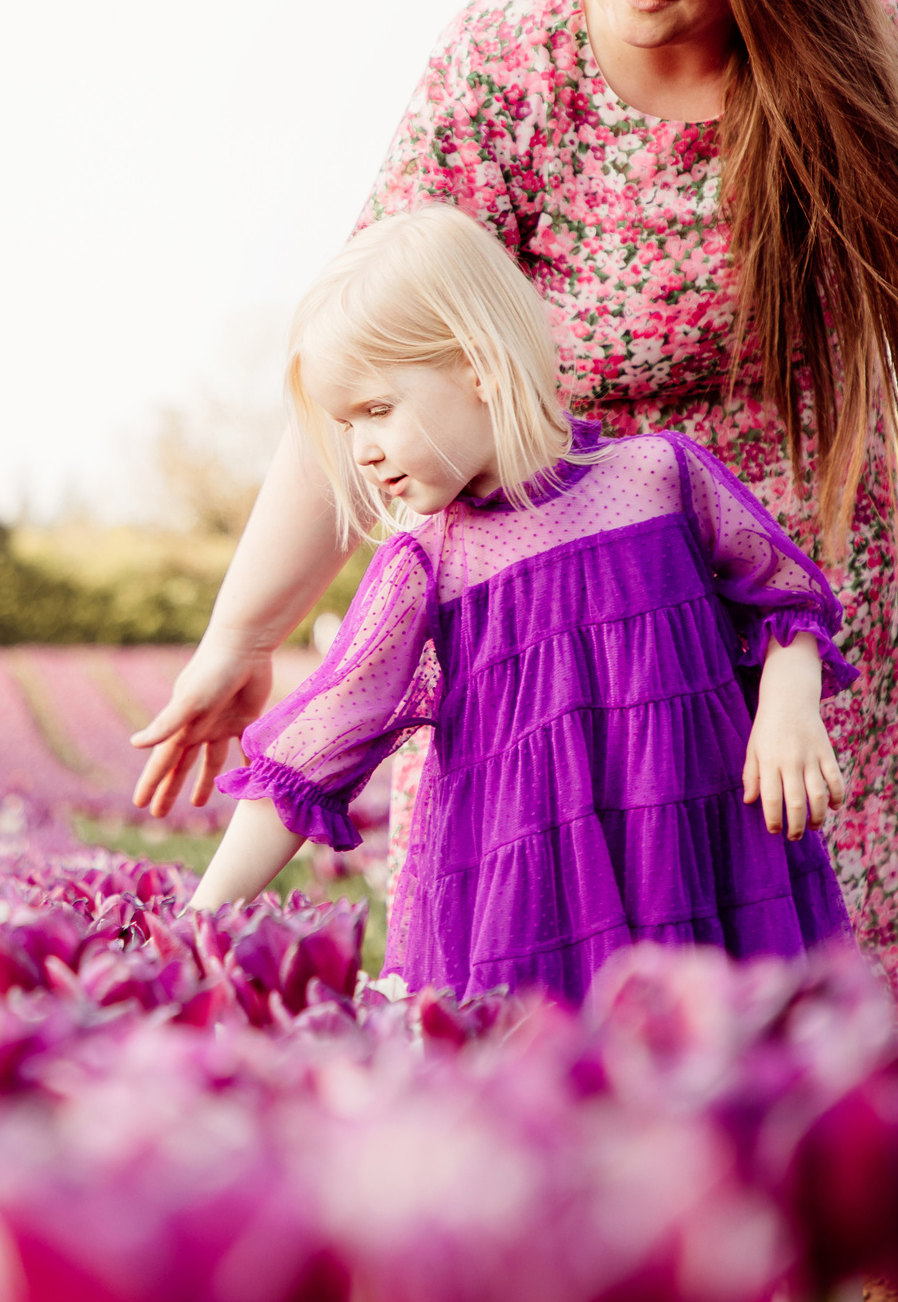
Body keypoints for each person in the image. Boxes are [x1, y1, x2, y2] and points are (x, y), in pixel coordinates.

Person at [133, 0, 898, 1018]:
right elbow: (372, 359)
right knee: (535, 994)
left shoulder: (873, 52)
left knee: (801, 1010)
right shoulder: (512, 55)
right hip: (528, 615)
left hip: (772, 587)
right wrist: (241, 634)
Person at [183, 207, 855, 1002]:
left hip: (698, 860)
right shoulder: (430, 564)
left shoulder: (658, 479)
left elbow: (785, 601)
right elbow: (316, 747)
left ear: (479, 365)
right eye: (346, 423)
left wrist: (787, 704)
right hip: (535, 904)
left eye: (377, 409)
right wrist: (202, 917)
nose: (360, 449)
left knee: (729, 1053)